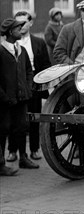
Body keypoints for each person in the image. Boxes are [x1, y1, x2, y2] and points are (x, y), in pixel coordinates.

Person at [6, 11, 51, 163]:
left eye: (24, 22)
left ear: (30, 23)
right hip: (15, 86)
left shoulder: (38, 42)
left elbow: (46, 65)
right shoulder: (11, 43)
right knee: (14, 120)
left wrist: (40, 84)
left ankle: (34, 149)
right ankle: (12, 151)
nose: (21, 26)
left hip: (34, 87)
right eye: (17, 23)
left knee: (33, 119)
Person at [0, 18, 37, 175]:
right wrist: (3, 96)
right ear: (10, 32)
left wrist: (28, 88)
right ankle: (1, 164)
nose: (21, 31)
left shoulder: (21, 49)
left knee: (22, 127)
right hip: (5, 101)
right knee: (3, 129)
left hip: (21, 98)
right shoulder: (1, 51)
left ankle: (23, 158)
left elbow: (29, 71)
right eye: (17, 29)